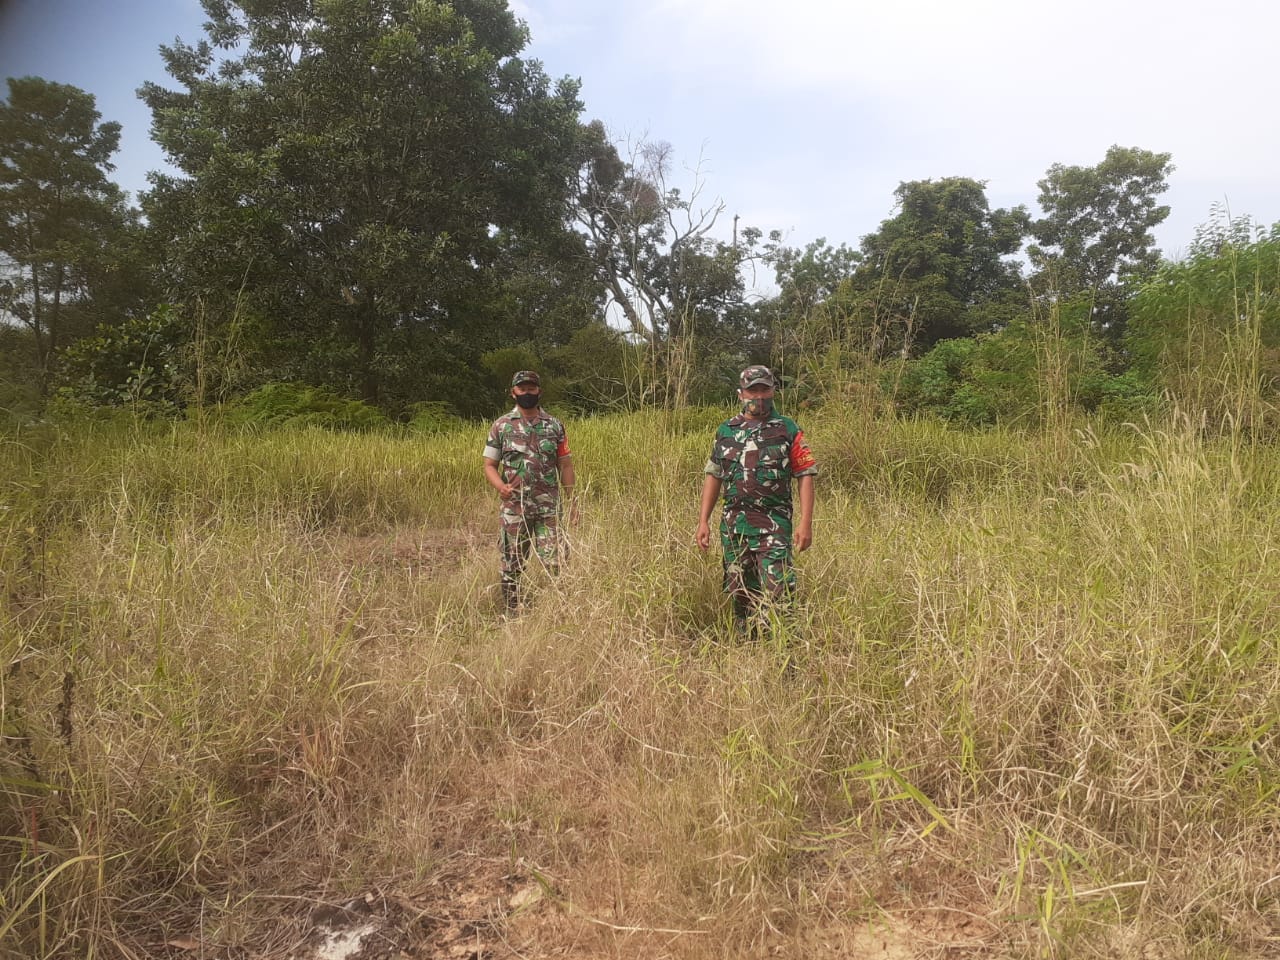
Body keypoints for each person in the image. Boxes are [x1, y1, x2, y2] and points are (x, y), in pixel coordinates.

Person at [696, 365, 817, 635]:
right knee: (739, 592)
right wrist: (702, 520)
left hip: (773, 526)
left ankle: (785, 654)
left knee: (779, 592)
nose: (759, 396)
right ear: (741, 394)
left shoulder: (787, 429)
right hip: (734, 527)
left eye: (765, 389)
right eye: (753, 390)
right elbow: (713, 476)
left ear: (774, 390)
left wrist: (805, 523)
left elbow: (805, 474)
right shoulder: (726, 431)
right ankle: (747, 650)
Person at [482, 371, 575, 613]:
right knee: (512, 563)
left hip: (548, 508)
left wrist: (573, 500)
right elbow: (489, 465)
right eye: (521, 389)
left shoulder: (554, 425)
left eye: (531, 388)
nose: (526, 393)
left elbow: (565, 465)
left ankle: (560, 612)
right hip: (515, 507)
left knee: (556, 562)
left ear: (539, 391)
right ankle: (513, 613)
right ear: (513, 392)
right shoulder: (501, 426)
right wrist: (500, 486)